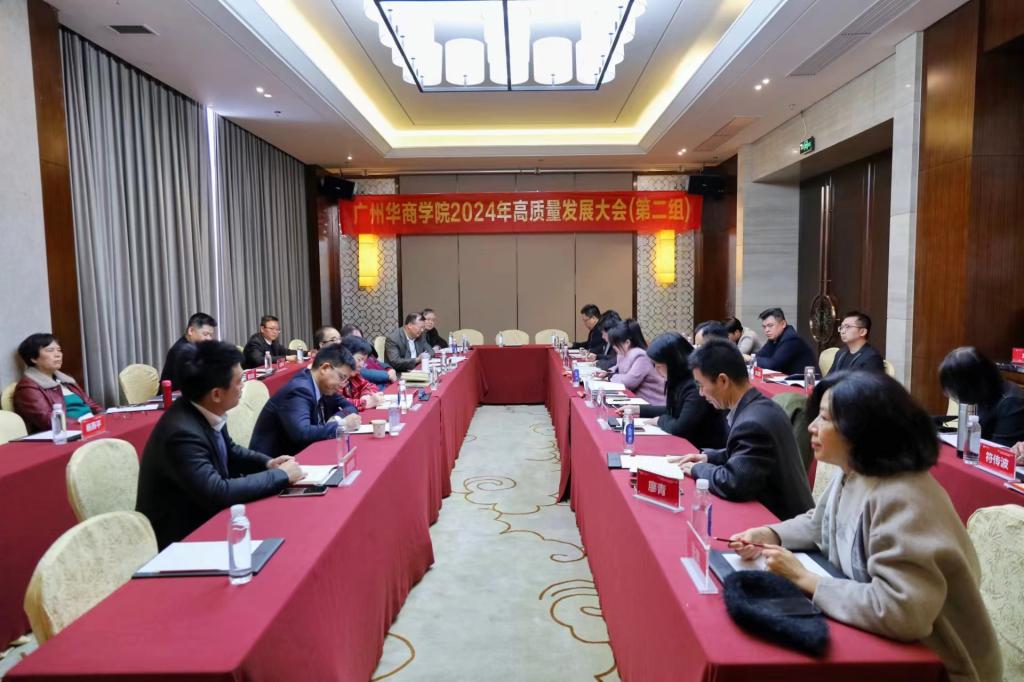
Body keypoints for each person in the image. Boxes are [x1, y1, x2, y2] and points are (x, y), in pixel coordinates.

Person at [729, 371, 1002, 682]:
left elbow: (902, 612)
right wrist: (770, 534)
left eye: (824, 418)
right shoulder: (856, 468)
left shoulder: (903, 497)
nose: (811, 427)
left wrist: (804, 578)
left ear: (861, 429)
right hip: (887, 643)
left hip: (940, 664)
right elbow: (821, 523)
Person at [136, 341, 302, 549]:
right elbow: (218, 492)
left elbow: (230, 451)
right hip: (182, 539)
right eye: (239, 381)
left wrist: (268, 464)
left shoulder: (204, 408)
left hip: (207, 515)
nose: (243, 386)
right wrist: (281, 475)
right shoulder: (181, 434)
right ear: (216, 394)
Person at [671, 339, 813, 521]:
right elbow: (746, 453)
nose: (701, 393)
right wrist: (709, 457)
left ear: (723, 380)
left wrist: (698, 469)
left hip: (779, 522)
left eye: (701, 385)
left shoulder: (753, 422)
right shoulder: (759, 406)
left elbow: (733, 482)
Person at [249, 345, 360, 458]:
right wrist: (342, 425)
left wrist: (336, 419)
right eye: (342, 377)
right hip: (273, 462)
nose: (342, 384)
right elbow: (302, 433)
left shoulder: (324, 385)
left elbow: (350, 407)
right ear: (325, 368)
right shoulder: (299, 389)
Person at [637, 333, 727, 449]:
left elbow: (680, 429)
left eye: (658, 366)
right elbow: (675, 410)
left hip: (703, 449)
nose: (656, 370)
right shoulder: (679, 380)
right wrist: (638, 409)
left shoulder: (696, 385)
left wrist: (659, 420)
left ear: (673, 363)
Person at [13, 333, 104, 434]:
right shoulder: (28, 387)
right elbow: (48, 420)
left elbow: (91, 404)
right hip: (68, 433)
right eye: (50, 350)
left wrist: (105, 416)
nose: (58, 354)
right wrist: (86, 425)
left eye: (59, 350)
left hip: (90, 427)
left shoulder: (66, 380)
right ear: (33, 358)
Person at [939, 346, 1024, 447]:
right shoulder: (985, 393)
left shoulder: (1011, 403)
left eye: (954, 390)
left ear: (969, 385)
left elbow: (1000, 450)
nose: (951, 396)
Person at [596, 320, 665, 405]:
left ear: (627, 343)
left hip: (652, 403)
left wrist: (611, 376)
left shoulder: (641, 357)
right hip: (636, 401)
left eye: (616, 344)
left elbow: (628, 382)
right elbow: (618, 369)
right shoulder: (623, 353)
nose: (613, 347)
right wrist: (608, 373)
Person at [160, 312, 218, 390]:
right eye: (205, 334)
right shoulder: (181, 351)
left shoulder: (193, 347)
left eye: (211, 335)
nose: (209, 339)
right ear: (191, 330)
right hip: (173, 395)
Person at [754, 307, 817, 376]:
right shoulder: (774, 338)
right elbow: (760, 355)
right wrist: (752, 359)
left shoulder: (791, 339)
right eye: (764, 327)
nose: (766, 330)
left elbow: (773, 364)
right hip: (789, 379)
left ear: (783, 324)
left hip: (808, 381)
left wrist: (751, 359)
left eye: (770, 326)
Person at [341, 324, 397, 388]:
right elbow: (365, 375)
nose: (359, 342)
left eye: (360, 338)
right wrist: (388, 375)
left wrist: (390, 369)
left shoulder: (364, 353)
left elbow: (379, 363)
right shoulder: (352, 365)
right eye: (356, 338)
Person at [339, 336, 385, 410]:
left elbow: (369, 386)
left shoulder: (354, 375)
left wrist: (365, 395)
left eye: (364, 361)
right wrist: (364, 403)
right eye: (359, 359)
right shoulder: (335, 377)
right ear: (346, 356)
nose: (361, 365)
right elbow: (338, 403)